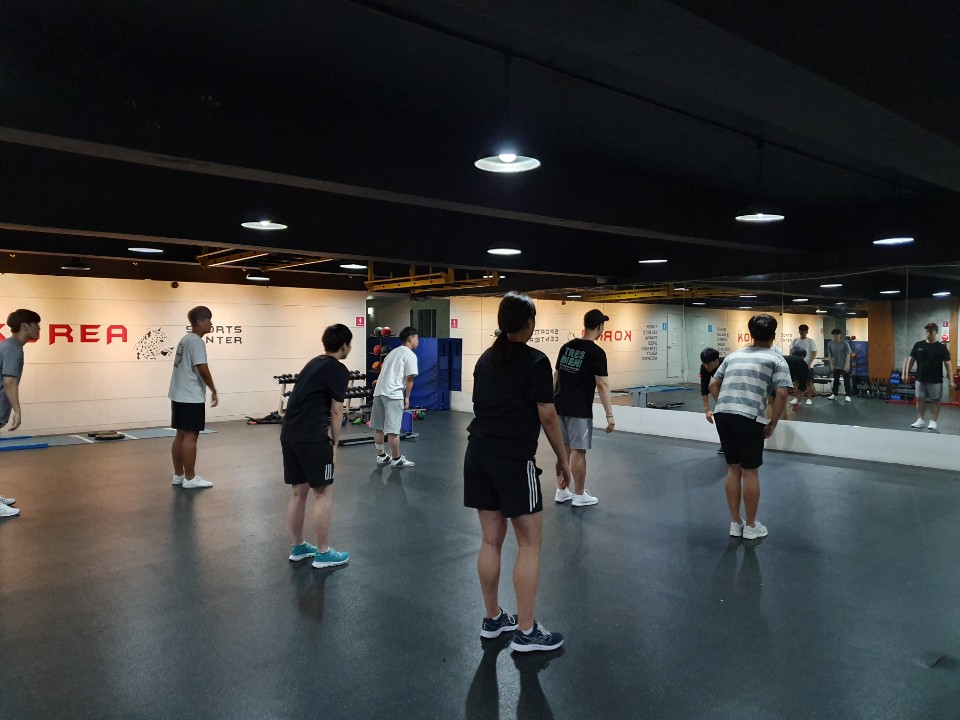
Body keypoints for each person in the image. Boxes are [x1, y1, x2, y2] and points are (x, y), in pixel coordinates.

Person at [464, 292, 573, 652]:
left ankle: (493, 618)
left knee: (490, 540)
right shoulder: (536, 361)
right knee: (529, 544)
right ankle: (526, 632)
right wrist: (562, 458)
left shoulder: (485, 359)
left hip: (477, 454)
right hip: (512, 460)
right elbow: (548, 415)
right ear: (529, 323)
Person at [709, 314, 791, 540]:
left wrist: (726, 405)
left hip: (723, 414)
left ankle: (736, 524)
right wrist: (773, 422)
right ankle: (752, 527)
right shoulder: (776, 359)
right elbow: (782, 393)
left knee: (733, 468)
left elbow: (713, 384)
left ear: (750, 334)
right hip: (748, 417)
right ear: (773, 336)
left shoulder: (733, 356)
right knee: (750, 471)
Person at [281, 323, 353, 568]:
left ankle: (298, 547)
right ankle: (323, 553)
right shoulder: (338, 369)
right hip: (312, 437)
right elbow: (337, 410)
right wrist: (335, 444)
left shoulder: (313, 363)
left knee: (298, 492)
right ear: (344, 345)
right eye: (349, 344)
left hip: (289, 433)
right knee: (322, 493)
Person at [552, 308, 615, 507]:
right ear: (599, 327)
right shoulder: (596, 352)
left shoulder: (566, 347)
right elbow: (602, 384)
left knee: (563, 451)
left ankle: (562, 491)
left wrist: (552, 402)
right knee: (578, 452)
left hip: (559, 406)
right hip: (579, 410)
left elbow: (556, 376)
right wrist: (609, 415)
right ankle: (579, 495)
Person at [169, 306, 218, 489]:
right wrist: (213, 389)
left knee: (180, 434)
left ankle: (179, 475)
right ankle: (190, 479)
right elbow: (202, 369)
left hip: (178, 394)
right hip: (190, 396)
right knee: (191, 436)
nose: (211, 323)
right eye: (209, 320)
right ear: (199, 322)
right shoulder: (196, 342)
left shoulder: (185, 339)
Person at [0, 309, 41, 518]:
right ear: (25, 326)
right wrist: (17, 411)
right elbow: (9, 381)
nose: (39, 328)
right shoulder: (13, 349)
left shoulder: (9, 346)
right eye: (36, 324)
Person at [372, 326, 419, 468]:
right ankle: (396, 459)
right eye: (416, 338)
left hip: (378, 392)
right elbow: (410, 378)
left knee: (379, 428)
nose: (418, 341)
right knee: (393, 430)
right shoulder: (410, 355)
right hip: (393, 394)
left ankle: (381, 456)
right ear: (410, 339)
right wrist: (407, 397)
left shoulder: (392, 353)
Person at [907, 322, 952, 431]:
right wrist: (906, 373)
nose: (928, 333)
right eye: (927, 331)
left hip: (935, 380)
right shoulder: (918, 345)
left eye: (931, 331)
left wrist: (951, 380)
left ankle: (933, 421)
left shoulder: (941, 347)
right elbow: (911, 359)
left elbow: (948, 363)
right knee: (919, 399)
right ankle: (920, 420)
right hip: (920, 378)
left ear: (936, 332)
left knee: (935, 401)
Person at [699, 347, 726, 454]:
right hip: (720, 393)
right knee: (720, 416)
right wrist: (707, 410)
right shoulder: (704, 367)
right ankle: (725, 444)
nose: (706, 366)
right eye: (704, 364)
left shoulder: (727, 364)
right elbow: (704, 387)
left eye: (708, 364)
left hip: (735, 391)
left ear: (716, 361)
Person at [789, 324, 818, 405]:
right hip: (797, 365)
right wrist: (792, 362)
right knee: (797, 382)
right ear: (799, 331)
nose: (802, 332)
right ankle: (796, 398)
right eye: (801, 330)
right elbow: (791, 352)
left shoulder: (810, 341)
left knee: (809, 383)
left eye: (804, 331)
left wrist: (809, 363)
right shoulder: (795, 341)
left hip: (808, 365)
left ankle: (809, 399)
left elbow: (814, 353)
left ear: (807, 331)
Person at [780, 348, 810, 417]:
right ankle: (798, 402)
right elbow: (802, 382)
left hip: (777, 378)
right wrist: (799, 401)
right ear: (803, 356)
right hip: (786, 380)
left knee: (773, 402)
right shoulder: (802, 362)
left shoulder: (783, 357)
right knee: (801, 385)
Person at [826, 328, 853, 402]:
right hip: (836, 365)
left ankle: (848, 395)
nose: (835, 336)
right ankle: (834, 394)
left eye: (837, 334)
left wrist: (847, 365)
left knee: (846, 381)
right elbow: (830, 355)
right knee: (836, 381)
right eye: (834, 335)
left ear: (839, 335)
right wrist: (831, 365)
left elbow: (848, 355)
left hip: (844, 365)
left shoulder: (844, 343)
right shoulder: (830, 344)